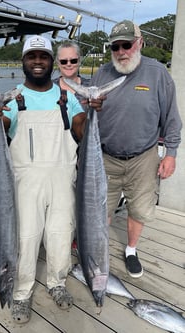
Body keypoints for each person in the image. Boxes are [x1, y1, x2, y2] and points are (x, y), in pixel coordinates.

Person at [0, 35, 102, 324]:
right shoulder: (13, 97)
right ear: (24, 61)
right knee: (25, 238)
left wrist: (94, 112)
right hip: (25, 183)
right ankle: (21, 293)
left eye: (43, 57)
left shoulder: (67, 97)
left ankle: (56, 283)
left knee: (61, 237)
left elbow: (82, 132)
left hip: (62, 179)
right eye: (32, 56)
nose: (37, 62)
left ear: (51, 62)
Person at [90, 20, 182, 278]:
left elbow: (172, 119)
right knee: (100, 208)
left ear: (139, 43)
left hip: (144, 156)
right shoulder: (102, 74)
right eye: (116, 47)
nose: (121, 52)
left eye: (127, 45)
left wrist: (171, 154)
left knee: (139, 208)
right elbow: (86, 111)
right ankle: (99, 250)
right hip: (105, 156)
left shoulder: (157, 73)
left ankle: (131, 250)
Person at [53, 40, 90, 107]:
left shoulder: (91, 85)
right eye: (64, 61)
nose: (69, 64)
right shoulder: (49, 87)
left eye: (73, 61)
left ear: (79, 61)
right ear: (58, 63)